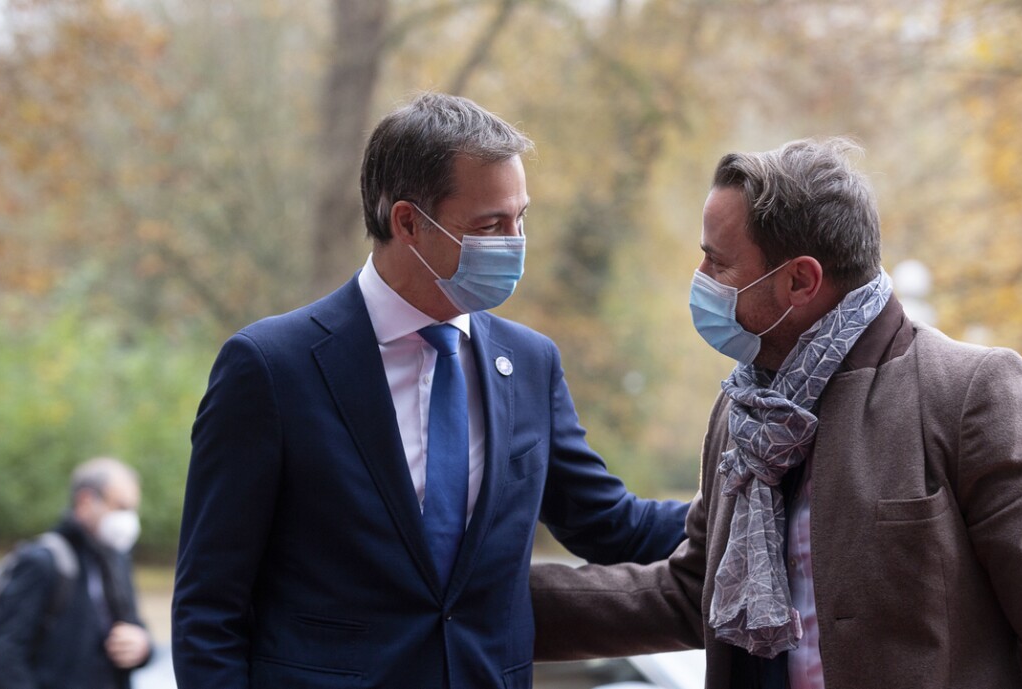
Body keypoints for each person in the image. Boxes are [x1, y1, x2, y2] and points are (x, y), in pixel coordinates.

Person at [171, 91, 689, 689]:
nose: (515, 241)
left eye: (521, 218)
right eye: (491, 224)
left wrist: (761, 509)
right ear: (408, 222)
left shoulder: (529, 363)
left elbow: (611, 525)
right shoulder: (270, 368)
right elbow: (209, 606)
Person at [530, 138, 1022, 688]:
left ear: (801, 280)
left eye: (717, 263)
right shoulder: (742, 409)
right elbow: (691, 590)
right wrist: (466, 599)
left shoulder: (969, 392)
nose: (699, 278)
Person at [0, 457, 152, 689]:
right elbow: (6, 651)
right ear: (85, 501)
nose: (129, 519)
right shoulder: (43, 561)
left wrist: (143, 646)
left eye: (133, 509)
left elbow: (134, 626)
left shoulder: (118, 559)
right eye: (121, 507)